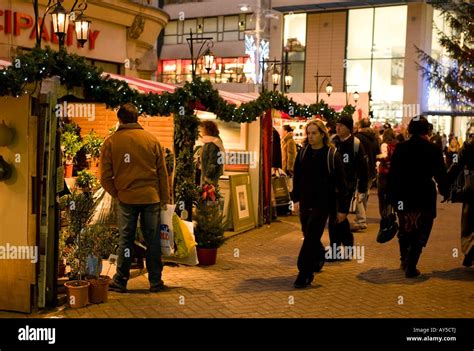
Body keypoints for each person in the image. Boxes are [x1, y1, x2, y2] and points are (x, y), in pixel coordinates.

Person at [100, 103, 170, 292]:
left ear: (119, 119)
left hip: (127, 199)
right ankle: (155, 281)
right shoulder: (152, 140)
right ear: (137, 118)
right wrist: (165, 198)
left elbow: (104, 177)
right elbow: (162, 173)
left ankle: (121, 280)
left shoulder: (111, 142)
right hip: (151, 197)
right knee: (152, 240)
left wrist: (118, 192)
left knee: (126, 240)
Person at [387, 116, 448, 278]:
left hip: (402, 194)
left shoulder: (401, 148)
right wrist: (445, 190)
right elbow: (440, 174)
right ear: (426, 130)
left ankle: (404, 258)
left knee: (405, 226)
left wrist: (390, 196)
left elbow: (392, 174)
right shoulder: (433, 149)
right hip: (424, 194)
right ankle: (411, 263)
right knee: (422, 228)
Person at [291, 120, 349, 288]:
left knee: (310, 237)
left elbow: (342, 184)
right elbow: (297, 178)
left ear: (322, 134)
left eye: (314, 133)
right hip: (306, 202)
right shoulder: (303, 153)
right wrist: (295, 199)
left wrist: (343, 209)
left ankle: (304, 273)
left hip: (324, 203)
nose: (310, 136)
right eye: (308, 133)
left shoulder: (332, 154)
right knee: (308, 233)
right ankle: (319, 255)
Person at [332, 115, 369, 235]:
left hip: (348, 186)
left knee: (341, 214)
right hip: (332, 185)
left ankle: (343, 240)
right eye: (337, 125)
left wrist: (362, 190)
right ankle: (342, 240)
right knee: (334, 216)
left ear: (349, 128)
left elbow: (363, 169)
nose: (338, 128)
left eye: (341, 126)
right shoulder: (333, 141)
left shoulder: (356, 144)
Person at [447, 127, 474, 267]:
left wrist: (445, 183)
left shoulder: (470, 145)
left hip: (471, 188)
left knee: (468, 222)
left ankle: (469, 251)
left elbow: (456, 164)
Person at [354, 118, 380, 228]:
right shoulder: (375, 138)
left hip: (360, 169)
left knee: (358, 194)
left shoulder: (357, 137)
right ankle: (362, 217)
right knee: (364, 193)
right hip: (371, 170)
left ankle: (361, 220)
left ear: (360, 125)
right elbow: (377, 154)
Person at [376, 128, 398, 218]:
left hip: (384, 173)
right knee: (391, 194)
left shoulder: (384, 145)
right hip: (394, 173)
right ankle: (391, 213)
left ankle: (384, 215)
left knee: (382, 195)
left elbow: (384, 156)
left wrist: (376, 157)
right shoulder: (396, 145)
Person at [198, 120, 225, 185]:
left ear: (207, 130)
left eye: (202, 129)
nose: (201, 131)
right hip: (207, 176)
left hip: (209, 179)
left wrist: (207, 176)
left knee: (208, 194)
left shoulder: (213, 143)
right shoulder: (208, 142)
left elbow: (213, 163)